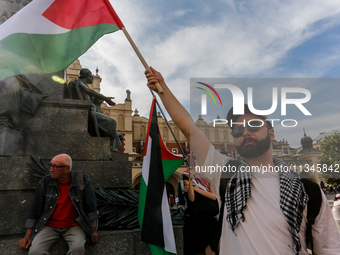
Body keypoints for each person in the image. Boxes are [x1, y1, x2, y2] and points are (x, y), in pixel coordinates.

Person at [145, 67, 340, 255]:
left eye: (254, 125)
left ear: (271, 133)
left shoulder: (308, 191)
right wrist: (163, 88)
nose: (245, 131)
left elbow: (330, 249)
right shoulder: (225, 173)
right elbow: (190, 130)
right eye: (238, 130)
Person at [18, 154, 98, 254]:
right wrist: (27, 235)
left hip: (74, 226)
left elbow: (91, 205)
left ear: (66, 168)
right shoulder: (45, 182)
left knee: (77, 249)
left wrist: (92, 230)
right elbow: (35, 209)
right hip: (49, 226)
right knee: (35, 252)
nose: (51, 169)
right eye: (51, 165)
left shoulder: (81, 180)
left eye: (55, 167)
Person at [66, 68, 122, 152]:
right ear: (87, 76)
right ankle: (109, 148)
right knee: (112, 123)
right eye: (91, 76)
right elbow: (87, 90)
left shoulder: (82, 83)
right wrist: (105, 98)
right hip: (84, 112)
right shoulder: (78, 82)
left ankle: (110, 147)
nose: (92, 78)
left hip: (88, 111)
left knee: (117, 133)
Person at [182, 168, 218, 255]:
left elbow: (213, 196)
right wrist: (190, 181)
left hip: (210, 221)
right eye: (194, 158)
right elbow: (192, 198)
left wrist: (196, 189)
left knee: (212, 249)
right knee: (198, 251)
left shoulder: (206, 176)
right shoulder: (186, 175)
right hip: (196, 222)